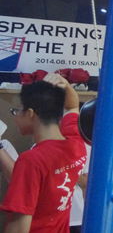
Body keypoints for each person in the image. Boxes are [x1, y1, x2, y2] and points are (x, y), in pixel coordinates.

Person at [0, 73, 86, 233]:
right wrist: (66, 86)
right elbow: (72, 106)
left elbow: (18, 228)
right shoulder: (76, 144)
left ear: (30, 113)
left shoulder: (31, 160)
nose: (15, 117)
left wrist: (65, 86)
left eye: (16, 111)